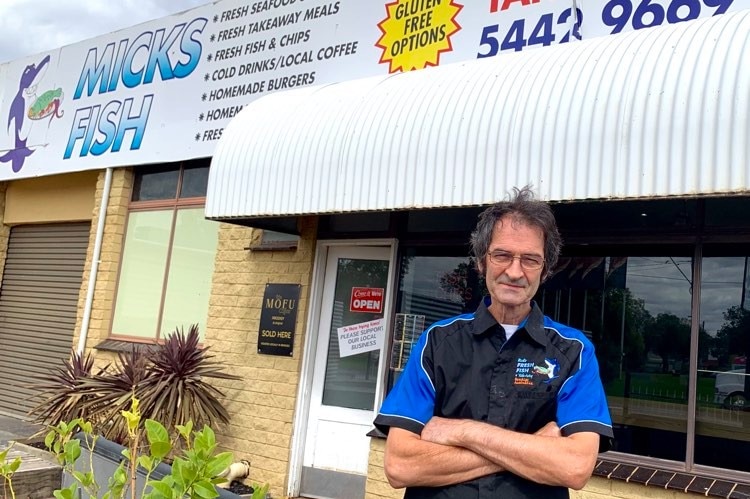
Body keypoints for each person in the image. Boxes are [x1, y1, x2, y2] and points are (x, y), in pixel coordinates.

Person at [373, 186, 613, 498]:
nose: (515, 272)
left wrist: (462, 431)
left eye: (530, 259)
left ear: (545, 270)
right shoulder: (438, 342)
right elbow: (400, 465)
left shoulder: (574, 351)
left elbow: (574, 467)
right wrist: (533, 448)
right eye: (502, 255)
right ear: (482, 262)